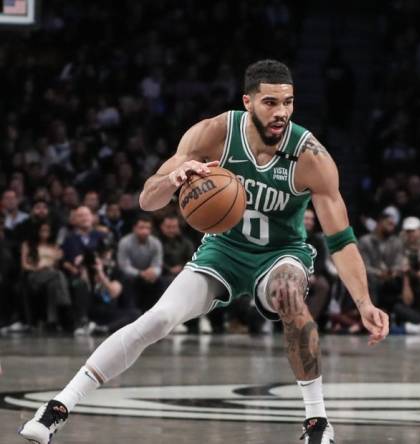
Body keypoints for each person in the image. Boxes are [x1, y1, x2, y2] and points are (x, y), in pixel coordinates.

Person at [20, 59, 388, 444]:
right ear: (248, 101)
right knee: (158, 320)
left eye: (288, 102)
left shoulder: (311, 156)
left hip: (281, 253)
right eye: (270, 102)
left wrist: (363, 302)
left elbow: (341, 240)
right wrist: (173, 181)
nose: (281, 112)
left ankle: (317, 422)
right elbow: (146, 199)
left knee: (289, 294)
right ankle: (58, 407)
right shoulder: (215, 133)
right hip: (223, 250)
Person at [117, 214, 164, 311]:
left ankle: (158, 312)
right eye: (141, 227)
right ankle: (131, 313)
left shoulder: (156, 243)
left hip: (149, 276)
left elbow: (157, 264)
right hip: (132, 276)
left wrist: (154, 272)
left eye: (148, 228)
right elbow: (124, 266)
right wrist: (140, 273)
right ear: (134, 228)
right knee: (128, 279)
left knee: (162, 281)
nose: (145, 231)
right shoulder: (124, 242)